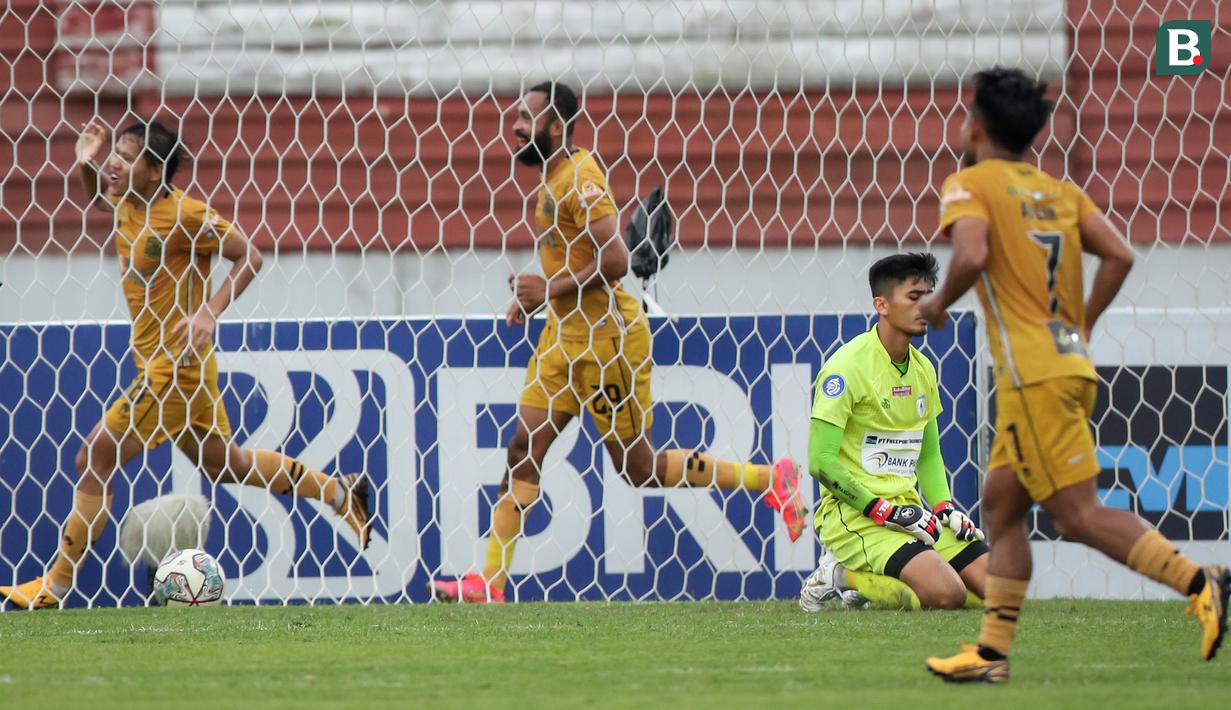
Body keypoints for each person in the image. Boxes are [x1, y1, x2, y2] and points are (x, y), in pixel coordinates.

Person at [430, 82, 805, 603]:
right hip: (561, 337)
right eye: (514, 116)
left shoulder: (582, 177)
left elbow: (615, 259)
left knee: (638, 468)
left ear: (556, 126)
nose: (514, 126)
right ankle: (489, 582)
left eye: (525, 117)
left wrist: (549, 288)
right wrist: (537, 298)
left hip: (609, 342)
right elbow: (572, 253)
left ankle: (768, 479)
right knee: (524, 447)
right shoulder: (551, 177)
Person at [920, 66, 1228, 683]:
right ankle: (991, 655)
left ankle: (1203, 581)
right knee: (1002, 509)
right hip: (1062, 365)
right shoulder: (1059, 191)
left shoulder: (970, 184)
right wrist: (1078, 326)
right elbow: (1118, 253)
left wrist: (936, 305)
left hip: (1032, 379)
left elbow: (974, 253)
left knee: (1078, 515)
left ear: (976, 125)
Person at [0, 120, 371, 609]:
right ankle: (340, 493)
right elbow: (97, 195)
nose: (115, 163)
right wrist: (88, 159)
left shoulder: (186, 214)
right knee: (226, 465)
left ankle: (56, 585)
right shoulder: (127, 201)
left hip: (172, 369)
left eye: (127, 157)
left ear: (154, 172)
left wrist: (208, 312)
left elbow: (251, 256)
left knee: (93, 458)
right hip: (175, 368)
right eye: (116, 152)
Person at [800, 253, 987, 614]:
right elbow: (820, 462)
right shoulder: (846, 368)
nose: (927, 306)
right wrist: (881, 509)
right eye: (915, 297)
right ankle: (838, 575)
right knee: (947, 595)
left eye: (930, 295)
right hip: (856, 516)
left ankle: (882, 573)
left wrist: (946, 509)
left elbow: (928, 454)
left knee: (998, 590)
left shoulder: (923, 370)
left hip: (909, 512)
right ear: (881, 305)